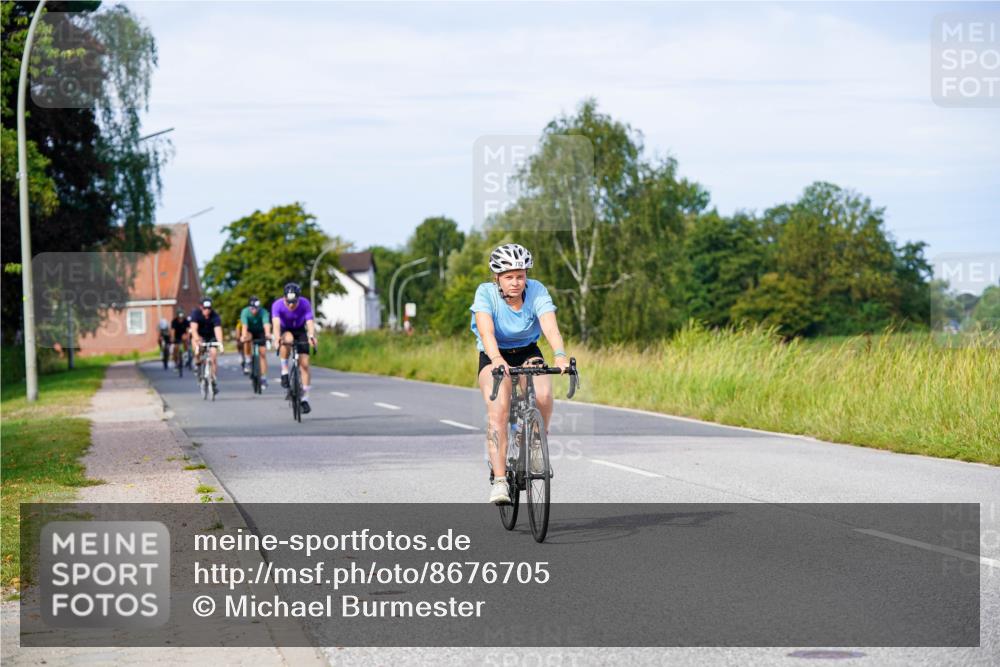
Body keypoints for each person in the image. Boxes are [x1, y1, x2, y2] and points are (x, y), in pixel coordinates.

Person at [471, 243, 569, 505]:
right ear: (497, 278)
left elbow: (550, 326)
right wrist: (496, 359)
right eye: (509, 277)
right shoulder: (485, 294)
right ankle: (500, 481)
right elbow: (486, 332)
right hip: (494, 354)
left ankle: (536, 441)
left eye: (520, 276)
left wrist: (559, 354)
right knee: (499, 411)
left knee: (544, 395)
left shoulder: (536, 291)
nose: (516, 282)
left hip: (527, 350)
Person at [271, 282, 318, 414]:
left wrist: (311, 336)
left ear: (298, 298)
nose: (291, 305)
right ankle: (285, 371)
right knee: (288, 339)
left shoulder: (305, 303)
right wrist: (276, 338)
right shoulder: (277, 305)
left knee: (305, 364)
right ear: (284, 297)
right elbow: (276, 325)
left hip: (300, 330)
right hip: (286, 330)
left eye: (294, 302)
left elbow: (309, 322)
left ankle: (305, 399)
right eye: (288, 302)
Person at [189, 298, 224, 396]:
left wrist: (220, 343)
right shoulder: (196, 314)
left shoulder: (215, 315)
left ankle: (213, 380)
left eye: (209, 308)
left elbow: (218, 330)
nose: (207, 310)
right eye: (205, 308)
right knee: (198, 350)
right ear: (201, 307)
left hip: (210, 337)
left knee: (213, 355)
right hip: (199, 337)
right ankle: (198, 364)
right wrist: (198, 340)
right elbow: (194, 329)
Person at [240, 296, 272, 389]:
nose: (254, 311)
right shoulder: (245, 312)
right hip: (250, 331)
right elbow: (244, 327)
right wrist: (243, 336)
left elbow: (266, 325)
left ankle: (264, 377)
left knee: (262, 353)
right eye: (252, 308)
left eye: (256, 308)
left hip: (260, 331)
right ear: (249, 307)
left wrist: (268, 334)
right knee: (247, 338)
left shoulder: (263, 312)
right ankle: (248, 360)